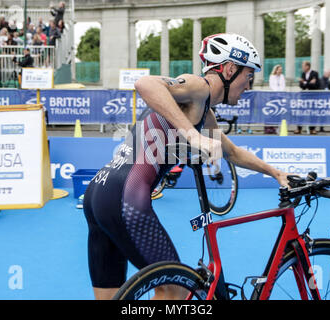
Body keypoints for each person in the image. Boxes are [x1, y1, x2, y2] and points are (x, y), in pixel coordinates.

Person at [82, 33, 291, 300]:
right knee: (175, 290)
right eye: (248, 76)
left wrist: (276, 173)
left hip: (100, 192)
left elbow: (233, 152)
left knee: (110, 297)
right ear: (229, 69)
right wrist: (192, 135)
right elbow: (145, 83)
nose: (248, 85)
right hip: (125, 197)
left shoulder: (203, 110)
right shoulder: (198, 87)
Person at [296, 61, 320, 135]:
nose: (302, 68)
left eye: (303, 66)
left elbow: (315, 85)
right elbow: (301, 85)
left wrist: (305, 82)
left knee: (313, 112)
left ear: (307, 66)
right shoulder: (303, 74)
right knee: (301, 111)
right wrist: (308, 83)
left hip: (313, 96)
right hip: (304, 96)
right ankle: (299, 128)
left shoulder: (314, 73)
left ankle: (312, 129)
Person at [266, 64, 286, 134]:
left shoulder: (282, 76)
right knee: (273, 111)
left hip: (280, 96)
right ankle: (272, 127)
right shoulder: (272, 76)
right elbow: (272, 85)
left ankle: (278, 127)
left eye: (281, 70)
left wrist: (280, 93)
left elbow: (283, 85)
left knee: (279, 112)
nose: (281, 71)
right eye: (279, 69)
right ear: (276, 70)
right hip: (273, 96)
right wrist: (276, 93)